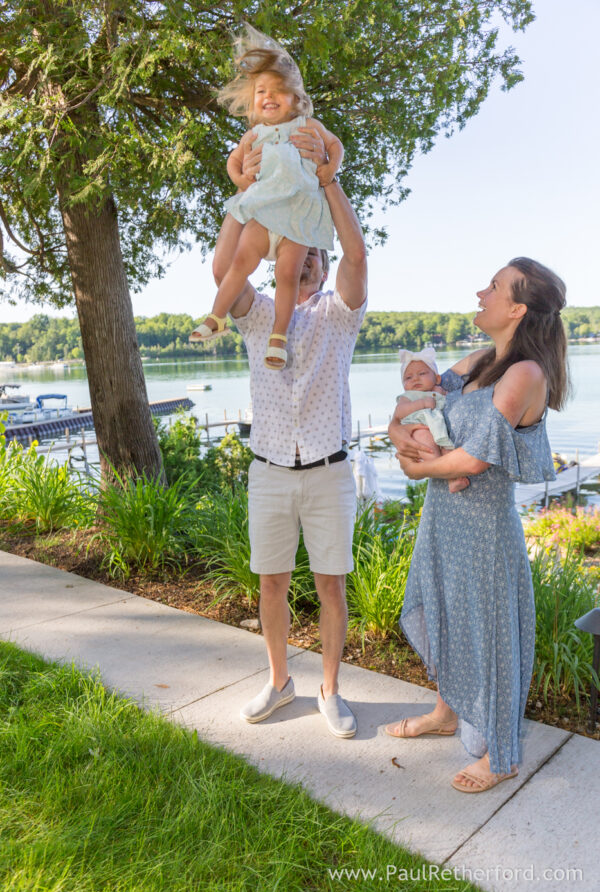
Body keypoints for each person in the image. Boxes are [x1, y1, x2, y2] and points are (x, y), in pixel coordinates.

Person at [386, 258, 569, 792]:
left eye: (493, 287)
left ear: (517, 309)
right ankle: (446, 713)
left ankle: (501, 755)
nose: (480, 293)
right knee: (444, 610)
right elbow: (410, 405)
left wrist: (416, 467)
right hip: (442, 520)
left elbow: (473, 460)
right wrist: (400, 435)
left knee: (488, 635)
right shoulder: (477, 362)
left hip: (485, 531)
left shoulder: (525, 373)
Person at [210, 136, 367, 738]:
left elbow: (356, 255)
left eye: (312, 256)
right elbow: (224, 271)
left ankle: (330, 689)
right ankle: (279, 683)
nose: (303, 264)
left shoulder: (339, 315)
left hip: (329, 470)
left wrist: (327, 180)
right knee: (271, 583)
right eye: (292, 253)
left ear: (321, 264)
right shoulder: (256, 317)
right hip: (270, 469)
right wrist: (246, 195)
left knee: (331, 586)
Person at [189, 24, 343, 370]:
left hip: (297, 218)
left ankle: (278, 338)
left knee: (286, 274)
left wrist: (329, 168)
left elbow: (335, 145)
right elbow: (233, 161)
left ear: (297, 99)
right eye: (261, 91)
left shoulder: (308, 126)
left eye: (278, 91)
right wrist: (242, 180)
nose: (269, 97)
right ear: (253, 100)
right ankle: (217, 316)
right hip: (264, 213)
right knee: (241, 261)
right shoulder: (254, 134)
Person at [394, 348, 469, 493]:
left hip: (440, 429)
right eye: (408, 378)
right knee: (429, 449)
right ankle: (445, 475)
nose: (415, 379)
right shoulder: (409, 396)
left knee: (448, 450)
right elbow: (399, 412)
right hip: (420, 429)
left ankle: (454, 479)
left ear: (437, 378)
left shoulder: (438, 391)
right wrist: (421, 404)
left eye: (422, 374)